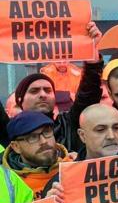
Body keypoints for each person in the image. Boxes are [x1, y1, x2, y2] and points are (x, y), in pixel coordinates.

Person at [8, 21, 104, 152]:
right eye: (34, 91)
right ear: (20, 101)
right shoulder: (10, 131)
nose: (42, 94)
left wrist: (91, 53)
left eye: (48, 90)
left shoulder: (68, 124)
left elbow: (89, 94)